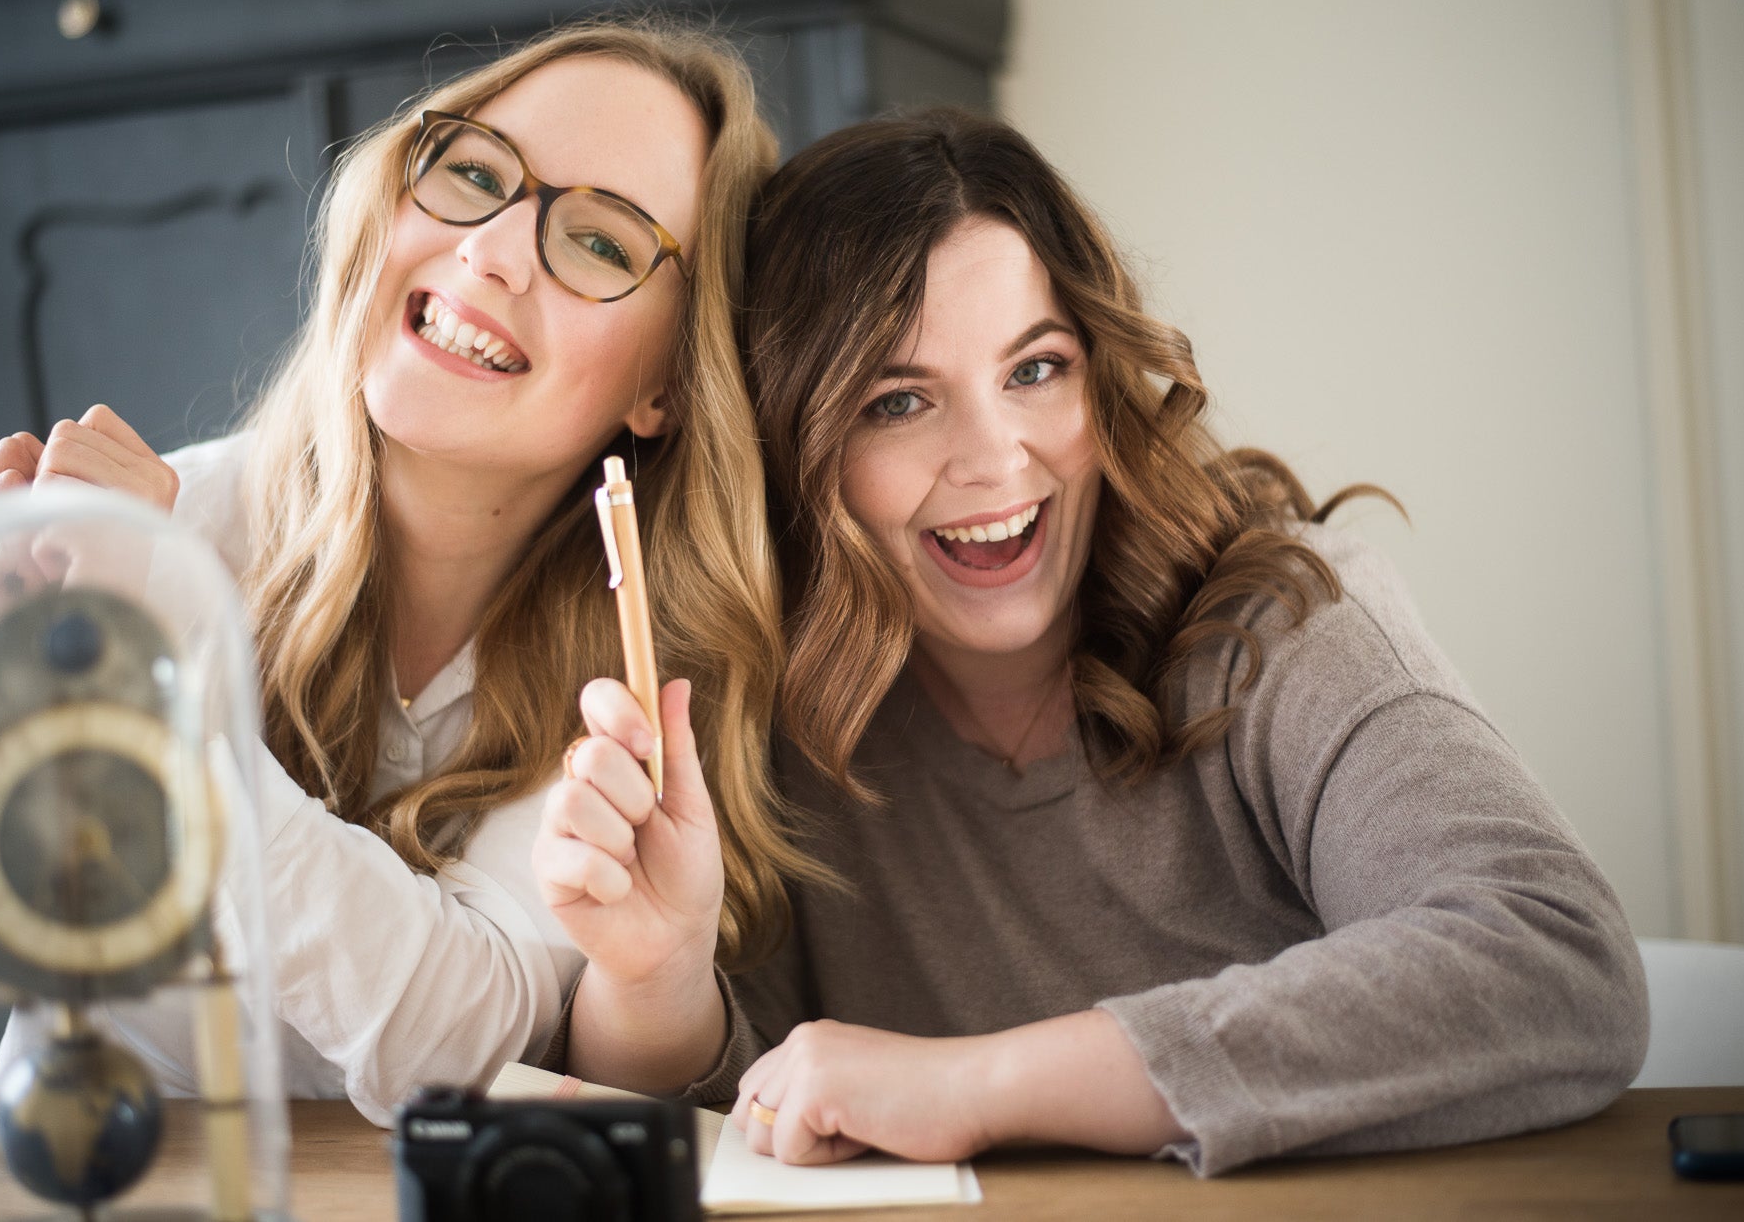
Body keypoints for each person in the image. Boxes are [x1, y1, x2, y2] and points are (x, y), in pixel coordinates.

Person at [538, 109, 1650, 1175]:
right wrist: (655, 975)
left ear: (1100, 373)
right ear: (792, 442)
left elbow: (1553, 961)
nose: (996, 459)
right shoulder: (779, 705)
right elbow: (741, 1121)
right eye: (895, 401)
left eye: (1034, 370)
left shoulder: (1280, 617)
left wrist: (977, 1086)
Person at [0, 17, 813, 1145]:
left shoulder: (642, 668)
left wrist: (164, 683)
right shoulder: (145, 534)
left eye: (603, 243)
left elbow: (457, 1048)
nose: (494, 250)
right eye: (471, 174)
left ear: (663, 381)